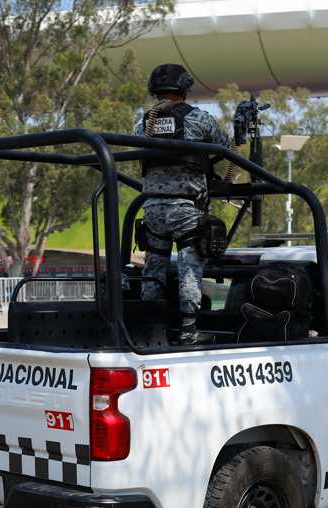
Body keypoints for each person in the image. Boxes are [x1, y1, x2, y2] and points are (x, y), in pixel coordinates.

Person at [135, 63, 231, 345]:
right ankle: (189, 332)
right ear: (185, 90)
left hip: (152, 207)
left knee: (154, 267)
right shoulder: (199, 119)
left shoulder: (144, 122)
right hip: (185, 208)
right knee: (190, 266)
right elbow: (226, 143)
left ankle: (150, 330)